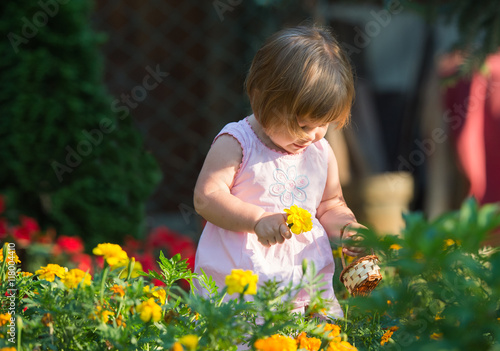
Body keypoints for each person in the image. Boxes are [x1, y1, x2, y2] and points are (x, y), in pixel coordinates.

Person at [193, 25, 365, 318]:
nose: (313, 135)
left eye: (323, 125)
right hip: (243, 281)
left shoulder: (320, 152)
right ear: (261, 99)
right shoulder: (238, 142)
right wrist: (257, 220)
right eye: (303, 124)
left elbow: (330, 204)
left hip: (303, 279)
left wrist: (347, 228)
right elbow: (207, 197)